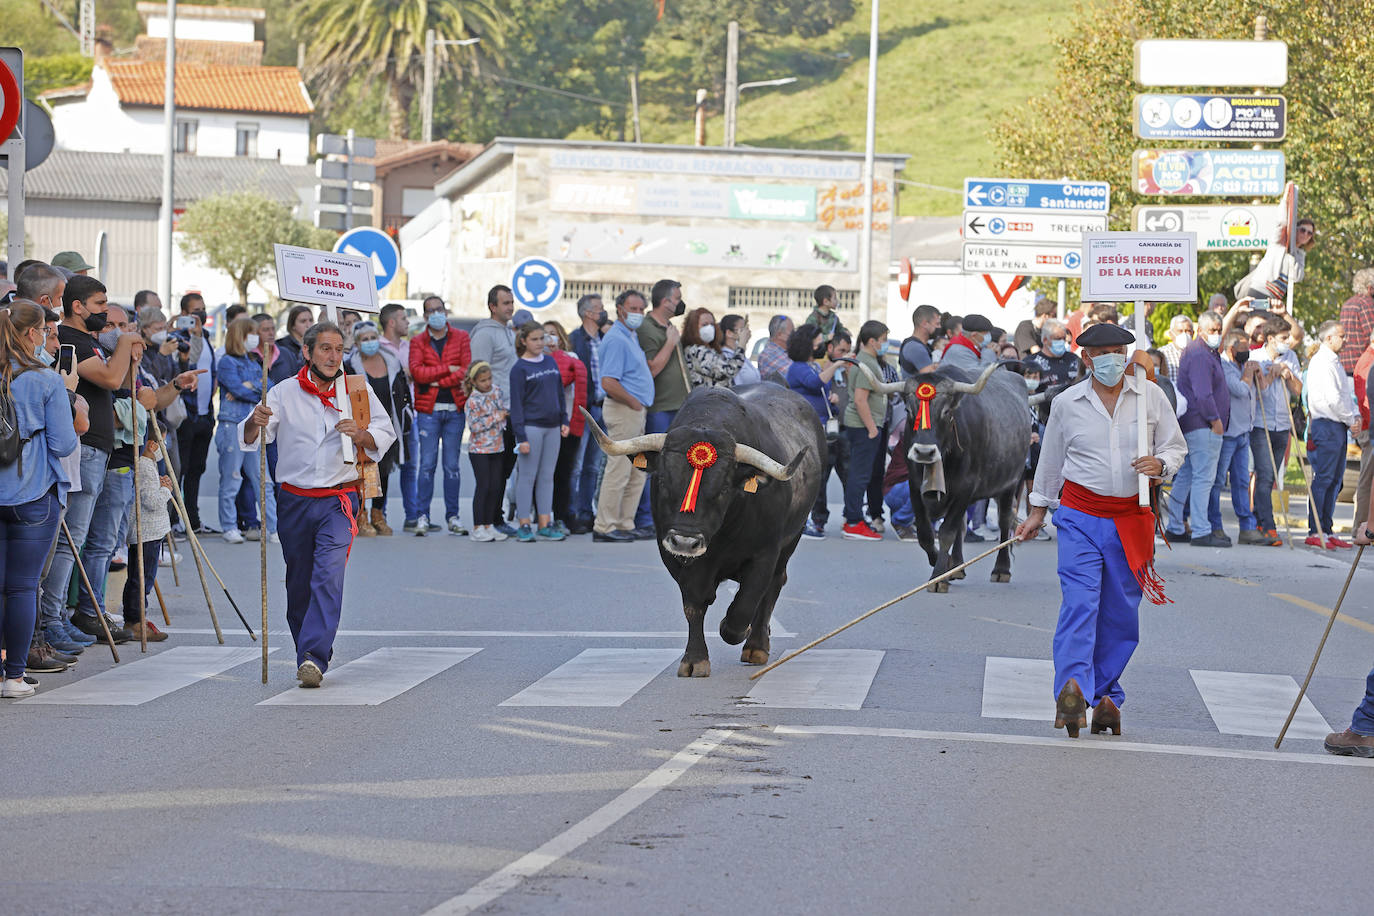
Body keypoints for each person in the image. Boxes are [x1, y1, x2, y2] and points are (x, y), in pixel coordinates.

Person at [1016, 323, 1187, 738]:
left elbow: (1175, 446)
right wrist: (1038, 510)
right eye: (1103, 353)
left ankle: (1107, 694)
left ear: (1127, 355)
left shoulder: (1151, 397)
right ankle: (1072, 689)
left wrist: (1161, 466)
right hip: (1079, 516)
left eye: (1119, 352)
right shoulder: (1067, 403)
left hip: (1132, 518)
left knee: (1121, 611)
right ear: (1086, 359)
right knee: (1080, 602)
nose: (1112, 360)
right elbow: (1051, 460)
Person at [240, 321, 396, 688]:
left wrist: (362, 434)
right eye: (325, 348)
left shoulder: (356, 389)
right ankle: (305, 650)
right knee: (299, 582)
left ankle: (314, 656)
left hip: (337, 500)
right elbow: (255, 436)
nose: (333, 356)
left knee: (328, 576)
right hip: (294, 500)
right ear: (307, 352)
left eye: (339, 349)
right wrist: (254, 420)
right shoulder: (282, 391)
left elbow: (385, 430)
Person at [44, 275, 144, 649]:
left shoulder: (90, 340)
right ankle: (50, 618)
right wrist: (125, 342)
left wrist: (128, 353)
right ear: (78, 306)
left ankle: (61, 616)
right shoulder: (70, 340)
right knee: (68, 540)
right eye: (101, 305)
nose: (106, 311)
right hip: (82, 450)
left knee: (82, 539)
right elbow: (107, 376)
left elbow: (122, 383)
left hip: (98, 450)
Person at [0, 300, 80, 697]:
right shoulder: (46, 380)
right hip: (32, 492)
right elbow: (64, 444)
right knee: (21, 587)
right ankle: (13, 675)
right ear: (33, 333)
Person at [593, 290, 655, 543]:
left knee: (636, 470)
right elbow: (608, 382)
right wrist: (633, 402)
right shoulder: (617, 339)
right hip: (624, 410)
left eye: (641, 309)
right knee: (619, 469)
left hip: (635, 411)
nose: (638, 313)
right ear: (620, 309)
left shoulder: (630, 336)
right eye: (633, 308)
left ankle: (624, 522)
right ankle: (605, 526)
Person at [1164, 312, 1230, 547]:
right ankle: (1202, 530)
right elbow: (1203, 392)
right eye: (1212, 329)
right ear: (1200, 330)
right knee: (1204, 477)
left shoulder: (1199, 351)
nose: (1216, 333)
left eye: (1219, 329)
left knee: (1188, 475)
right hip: (1203, 424)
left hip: (1194, 423)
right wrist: (1215, 419)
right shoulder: (1201, 353)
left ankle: (1175, 526)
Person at [631, 279, 689, 537]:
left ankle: (671, 515)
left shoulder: (668, 327)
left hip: (679, 406)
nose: (679, 303)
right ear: (665, 301)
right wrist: (669, 342)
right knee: (654, 466)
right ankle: (646, 517)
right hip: (660, 408)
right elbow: (651, 368)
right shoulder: (647, 327)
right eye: (677, 298)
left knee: (677, 467)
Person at [409, 296, 471, 536]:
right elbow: (417, 372)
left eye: (440, 309)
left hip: (455, 410)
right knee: (426, 466)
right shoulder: (417, 341)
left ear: (445, 311)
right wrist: (447, 369)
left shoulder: (461, 337)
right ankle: (422, 515)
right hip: (429, 412)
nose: (436, 314)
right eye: (431, 311)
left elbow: (465, 370)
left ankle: (453, 516)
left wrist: (435, 380)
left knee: (452, 466)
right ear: (425, 316)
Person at [215, 316, 276, 544]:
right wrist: (251, 387)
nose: (255, 337)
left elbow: (268, 387)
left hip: (254, 424)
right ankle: (229, 526)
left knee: (263, 479)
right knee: (231, 477)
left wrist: (248, 386)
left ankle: (272, 526)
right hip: (232, 425)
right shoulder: (227, 362)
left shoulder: (253, 361)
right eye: (250, 332)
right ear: (240, 336)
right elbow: (237, 388)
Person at [347, 321, 411, 537]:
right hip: (362, 428)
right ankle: (361, 515)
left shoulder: (392, 362)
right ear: (356, 343)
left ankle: (378, 514)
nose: (369, 343)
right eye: (364, 339)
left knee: (383, 471)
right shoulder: (350, 366)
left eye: (372, 337)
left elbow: (403, 393)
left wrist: (406, 417)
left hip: (387, 427)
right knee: (362, 472)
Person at [509, 322, 570, 542]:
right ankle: (524, 523)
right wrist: (521, 437)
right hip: (531, 427)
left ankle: (545, 522)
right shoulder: (519, 369)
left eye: (542, 338)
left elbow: (559, 394)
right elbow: (516, 406)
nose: (539, 343)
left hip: (553, 427)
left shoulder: (550, 361)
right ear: (524, 340)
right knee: (527, 477)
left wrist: (564, 419)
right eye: (534, 339)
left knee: (547, 477)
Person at [1303, 321, 1359, 549]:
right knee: (1324, 478)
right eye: (1341, 336)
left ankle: (1326, 528)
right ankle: (1315, 528)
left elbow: (1346, 395)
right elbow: (1333, 399)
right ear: (1328, 338)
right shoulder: (1322, 362)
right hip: (1326, 424)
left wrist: (1353, 418)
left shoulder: (1335, 362)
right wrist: (1350, 418)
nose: (1344, 340)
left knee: (1336, 480)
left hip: (1338, 426)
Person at [786, 325, 846, 539]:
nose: (821, 344)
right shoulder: (798, 367)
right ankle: (805, 519)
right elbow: (815, 383)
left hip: (820, 426)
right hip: (804, 428)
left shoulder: (811, 365)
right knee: (808, 475)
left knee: (818, 476)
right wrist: (836, 364)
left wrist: (833, 400)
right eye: (818, 341)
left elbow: (821, 388)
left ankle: (813, 518)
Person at [1249, 318, 1301, 544]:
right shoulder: (1255, 358)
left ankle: (1259, 519)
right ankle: (1268, 526)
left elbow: (1299, 391)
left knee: (1270, 478)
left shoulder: (1291, 357)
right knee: (1265, 475)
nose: (1287, 342)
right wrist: (1272, 372)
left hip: (1283, 425)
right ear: (1270, 339)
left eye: (1288, 337)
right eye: (1283, 338)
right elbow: (1259, 389)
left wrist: (1289, 376)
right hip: (1261, 425)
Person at [1211, 330, 1266, 544]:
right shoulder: (1225, 366)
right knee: (1217, 481)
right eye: (1243, 350)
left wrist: (1258, 374)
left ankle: (1247, 528)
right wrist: (1249, 375)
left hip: (1244, 432)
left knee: (1242, 481)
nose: (1248, 354)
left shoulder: (1244, 366)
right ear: (1232, 349)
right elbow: (1240, 389)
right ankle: (1215, 525)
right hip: (1228, 433)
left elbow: (1260, 390)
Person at [470, 285, 518, 531]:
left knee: (504, 470)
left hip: (509, 411)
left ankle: (495, 518)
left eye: (511, 302)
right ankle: (490, 521)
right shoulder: (485, 334)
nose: (510, 307)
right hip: (493, 415)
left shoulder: (508, 331)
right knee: (492, 475)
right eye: (505, 303)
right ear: (492, 306)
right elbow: (479, 373)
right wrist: (490, 412)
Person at [121, 431, 172, 643]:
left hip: (152, 531)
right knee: (141, 580)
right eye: (162, 441)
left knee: (144, 578)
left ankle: (138, 619)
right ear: (152, 444)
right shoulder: (142, 464)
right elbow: (151, 500)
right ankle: (135, 621)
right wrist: (166, 490)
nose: (164, 446)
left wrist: (160, 485)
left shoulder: (147, 465)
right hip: (147, 532)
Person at [841, 320, 890, 541]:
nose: (886, 344)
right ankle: (853, 522)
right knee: (860, 475)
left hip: (866, 425)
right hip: (863, 426)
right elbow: (861, 400)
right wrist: (872, 430)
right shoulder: (866, 363)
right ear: (872, 341)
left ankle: (854, 519)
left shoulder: (869, 360)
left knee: (861, 474)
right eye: (883, 340)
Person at [377, 301, 422, 531]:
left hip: (407, 415)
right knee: (383, 466)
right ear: (392, 322)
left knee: (409, 465)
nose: (407, 323)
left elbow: (416, 372)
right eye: (404, 319)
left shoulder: (410, 347)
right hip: (384, 415)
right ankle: (379, 514)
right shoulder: (377, 347)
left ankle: (412, 516)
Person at [543, 320, 586, 533]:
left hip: (568, 423)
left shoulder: (572, 360)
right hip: (544, 425)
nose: (549, 339)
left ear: (561, 337)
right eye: (544, 335)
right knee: (543, 473)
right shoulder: (535, 361)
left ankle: (562, 515)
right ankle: (541, 516)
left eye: (553, 334)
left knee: (564, 472)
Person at [568, 295, 606, 534]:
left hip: (606, 406)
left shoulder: (606, 339)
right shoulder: (574, 340)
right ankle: (570, 513)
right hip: (585, 408)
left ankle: (586, 512)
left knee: (593, 465)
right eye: (599, 309)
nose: (603, 312)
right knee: (577, 465)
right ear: (588, 313)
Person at [464, 363, 508, 542]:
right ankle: (478, 527)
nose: (487, 383)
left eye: (489, 378)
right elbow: (474, 426)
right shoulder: (472, 400)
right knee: (484, 486)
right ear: (474, 381)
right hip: (479, 449)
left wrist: (502, 417)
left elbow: (502, 409)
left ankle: (489, 525)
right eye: (482, 380)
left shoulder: (496, 391)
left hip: (497, 446)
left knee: (495, 486)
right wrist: (496, 417)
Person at [1234, 219, 1316, 305]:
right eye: (1303, 230)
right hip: (1260, 289)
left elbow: (1297, 277)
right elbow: (1281, 222)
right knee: (1258, 317)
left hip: (1274, 296)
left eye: (1309, 233)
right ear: (1295, 229)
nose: (1305, 234)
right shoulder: (1280, 243)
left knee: (1265, 317)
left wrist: (1295, 253)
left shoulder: (1299, 254)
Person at [683, 307, 745, 389]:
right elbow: (728, 371)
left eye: (712, 324)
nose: (709, 328)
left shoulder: (711, 349)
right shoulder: (696, 351)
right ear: (693, 328)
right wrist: (741, 346)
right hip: (708, 399)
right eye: (704, 325)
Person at [1354, 329, 1374, 528]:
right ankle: (1361, 526)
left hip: (1369, 425)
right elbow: (1366, 400)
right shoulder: (1369, 362)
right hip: (1370, 428)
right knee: (1368, 481)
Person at [1339, 269, 1374, 376]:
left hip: (1345, 365)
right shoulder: (1367, 303)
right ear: (1369, 288)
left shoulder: (1347, 304)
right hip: (1364, 366)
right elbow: (1372, 336)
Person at [1026, 319, 1078, 388]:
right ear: (1045, 340)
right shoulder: (1031, 362)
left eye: (1063, 339)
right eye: (1057, 339)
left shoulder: (1073, 359)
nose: (1062, 342)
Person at [898, 304, 941, 378]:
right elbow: (931, 377)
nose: (939, 327)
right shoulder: (915, 347)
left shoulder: (925, 346)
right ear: (924, 324)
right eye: (937, 324)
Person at [804, 285, 849, 351]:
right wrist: (826, 337)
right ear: (826, 302)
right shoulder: (813, 318)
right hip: (818, 353)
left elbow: (839, 328)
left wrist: (845, 331)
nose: (837, 301)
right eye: (835, 298)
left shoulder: (834, 317)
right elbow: (809, 337)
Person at [719, 315, 758, 386]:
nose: (747, 332)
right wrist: (742, 344)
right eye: (742, 330)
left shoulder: (741, 354)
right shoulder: (725, 356)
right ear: (729, 333)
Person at [756, 314, 794, 382]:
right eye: (792, 332)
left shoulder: (787, 352)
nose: (795, 335)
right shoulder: (768, 355)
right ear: (780, 335)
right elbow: (795, 376)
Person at [277, 305, 313, 373]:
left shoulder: (314, 344)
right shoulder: (281, 345)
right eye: (303, 321)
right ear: (293, 325)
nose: (309, 325)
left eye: (311, 320)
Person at [1157, 314, 1193, 383]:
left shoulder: (1199, 354)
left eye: (1187, 331)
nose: (1184, 334)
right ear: (1171, 334)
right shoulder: (1162, 353)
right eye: (1180, 331)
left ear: (1193, 333)